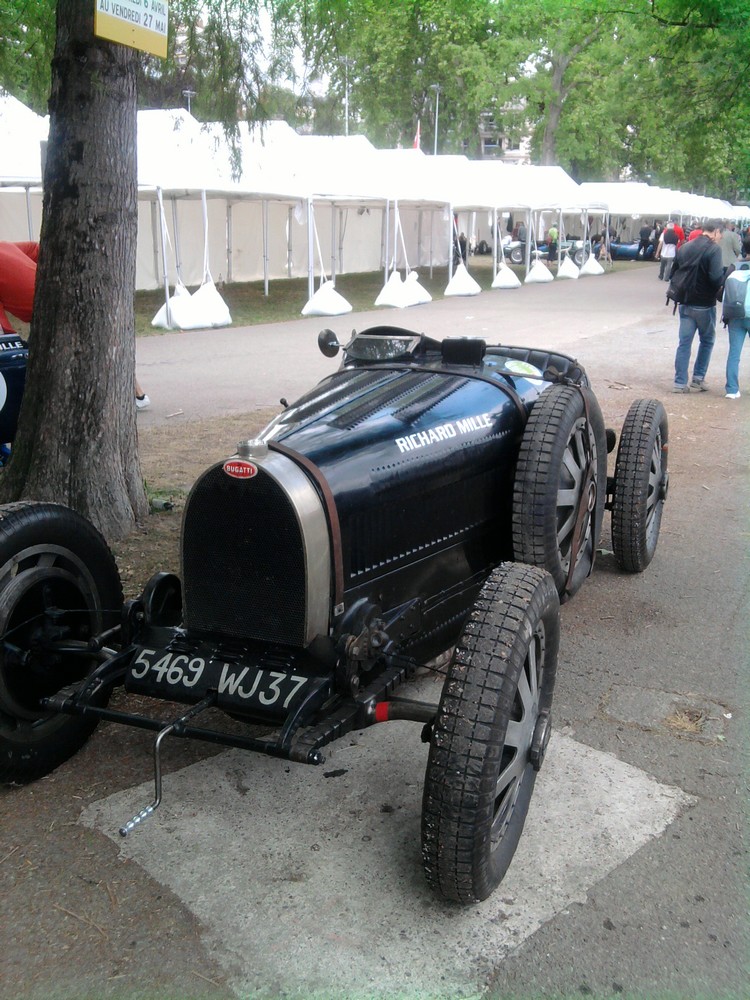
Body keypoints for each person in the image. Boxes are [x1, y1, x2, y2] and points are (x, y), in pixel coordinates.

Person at [0, 240, 148, 409]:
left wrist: (10, 339)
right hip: (72, 291)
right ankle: (137, 394)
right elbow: (39, 249)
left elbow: (3, 331)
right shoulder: (5, 246)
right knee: (98, 347)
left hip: (48, 309)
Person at [671, 219, 725, 393]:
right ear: (716, 231)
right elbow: (715, 278)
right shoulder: (714, 249)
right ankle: (698, 378)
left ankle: (680, 382)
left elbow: (674, 271)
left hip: (685, 300)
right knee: (707, 340)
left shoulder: (685, 247)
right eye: (721, 234)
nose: (721, 238)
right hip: (704, 302)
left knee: (684, 343)